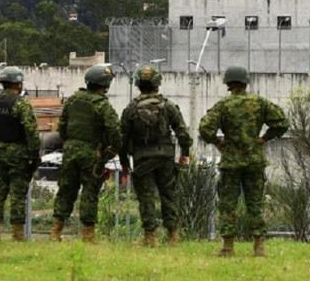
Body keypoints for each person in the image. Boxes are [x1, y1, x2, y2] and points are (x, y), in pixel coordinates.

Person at [199, 66, 289, 257]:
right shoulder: (260, 103)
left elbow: (205, 128)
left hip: (231, 162)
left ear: (228, 83)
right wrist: (264, 138)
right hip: (254, 161)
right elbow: (282, 122)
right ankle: (258, 247)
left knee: (228, 204)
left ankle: (228, 247)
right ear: (246, 82)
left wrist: (218, 142)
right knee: (255, 204)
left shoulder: (223, 105)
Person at [119, 64, 192, 247]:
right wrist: (184, 153)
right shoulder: (169, 106)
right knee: (169, 195)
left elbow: (122, 138)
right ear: (158, 84)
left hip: (142, 159)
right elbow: (182, 132)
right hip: (166, 158)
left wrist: (124, 162)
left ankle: (150, 237)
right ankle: (173, 236)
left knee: (147, 198)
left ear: (138, 85)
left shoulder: (131, 109)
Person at [50, 64, 121, 243]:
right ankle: (88, 236)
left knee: (66, 189)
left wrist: (70, 143)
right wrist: (113, 149)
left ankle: (55, 232)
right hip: (92, 152)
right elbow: (114, 130)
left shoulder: (72, 100)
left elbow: (62, 127)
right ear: (105, 85)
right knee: (90, 192)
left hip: (71, 150)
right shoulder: (102, 105)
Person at [0, 67, 41, 242]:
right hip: (18, 153)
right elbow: (31, 130)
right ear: (18, 83)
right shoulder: (21, 103)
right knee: (17, 193)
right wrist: (34, 154)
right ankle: (17, 234)